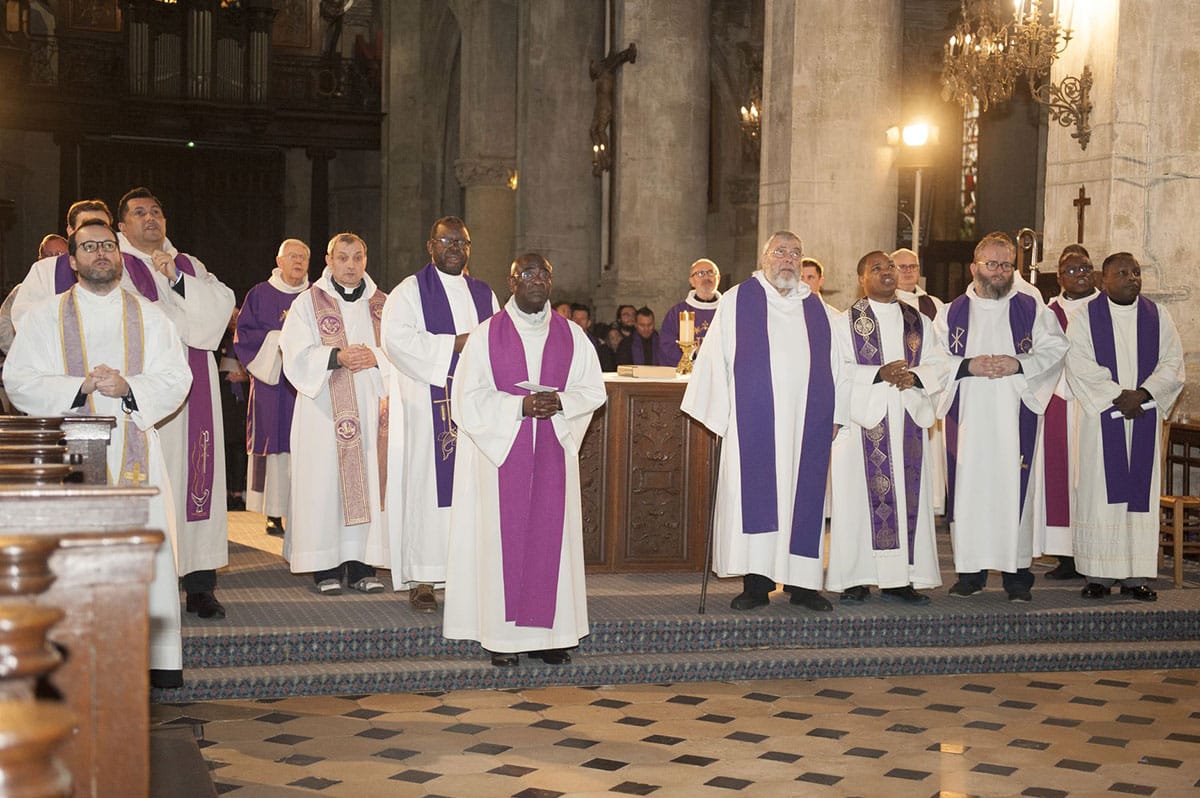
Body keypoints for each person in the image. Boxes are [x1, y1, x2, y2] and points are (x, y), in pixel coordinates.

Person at [3, 219, 193, 688]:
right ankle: (72, 658)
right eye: (89, 248)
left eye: (107, 245)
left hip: (134, 449)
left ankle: (148, 663)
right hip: (70, 448)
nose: (100, 254)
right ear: (72, 261)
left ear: (120, 255)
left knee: (142, 549)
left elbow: (177, 378)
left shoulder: (151, 316)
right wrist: (79, 385)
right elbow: (18, 381)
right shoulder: (44, 316)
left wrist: (129, 387)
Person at [443, 253, 606, 666]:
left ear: (551, 281)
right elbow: (467, 399)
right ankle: (502, 640)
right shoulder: (485, 336)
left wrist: (561, 402)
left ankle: (551, 638)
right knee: (502, 542)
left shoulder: (572, 335)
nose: (535, 280)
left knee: (551, 540)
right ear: (511, 282)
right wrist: (519, 407)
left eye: (542, 274)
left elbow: (593, 390)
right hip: (503, 458)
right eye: (526, 274)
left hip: (552, 452)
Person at [681, 231, 840, 613]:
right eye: (780, 251)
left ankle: (803, 586)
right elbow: (714, 360)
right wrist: (720, 413)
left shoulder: (818, 309)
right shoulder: (739, 300)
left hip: (807, 423)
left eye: (795, 253)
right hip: (752, 424)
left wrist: (835, 414)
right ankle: (756, 584)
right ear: (765, 257)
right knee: (756, 500)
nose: (788, 259)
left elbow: (838, 366)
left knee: (803, 501)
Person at [116, 187, 236, 620]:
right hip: (148, 392)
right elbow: (140, 319)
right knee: (154, 482)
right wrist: (189, 320)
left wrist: (178, 282)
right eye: (140, 213)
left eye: (157, 212)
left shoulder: (188, 264)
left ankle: (200, 584)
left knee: (197, 479)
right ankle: (148, 586)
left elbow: (222, 308)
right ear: (122, 224)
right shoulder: (118, 265)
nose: (151, 219)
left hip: (196, 388)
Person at [936, 231, 1068, 602]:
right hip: (969, 421)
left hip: (1015, 416)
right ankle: (970, 574)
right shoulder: (952, 312)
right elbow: (932, 361)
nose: (999, 271)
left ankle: (1016, 577)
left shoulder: (1032, 309)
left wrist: (1017, 363)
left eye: (1006, 264)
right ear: (975, 267)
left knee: (1015, 492)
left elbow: (1057, 348)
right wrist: (968, 365)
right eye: (992, 264)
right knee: (970, 491)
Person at [381, 216, 498, 612]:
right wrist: (457, 345)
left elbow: (500, 343)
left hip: (476, 410)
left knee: (473, 489)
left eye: (462, 242)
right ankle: (424, 577)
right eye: (447, 241)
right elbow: (397, 341)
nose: (455, 248)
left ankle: (470, 573)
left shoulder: (484, 294)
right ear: (430, 246)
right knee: (426, 488)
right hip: (426, 405)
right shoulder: (409, 292)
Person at [827, 251, 949, 604]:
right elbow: (836, 371)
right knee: (857, 502)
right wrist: (878, 373)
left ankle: (900, 579)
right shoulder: (844, 323)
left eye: (890, 267)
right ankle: (855, 578)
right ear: (861, 278)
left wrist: (915, 376)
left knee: (905, 500)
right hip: (862, 419)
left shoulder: (918, 321)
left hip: (907, 415)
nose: (886, 272)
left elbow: (939, 363)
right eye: (876, 268)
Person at [1066, 252, 1185, 602]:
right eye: (1122, 273)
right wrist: (1120, 397)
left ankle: (1136, 576)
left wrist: (1145, 394)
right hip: (1103, 420)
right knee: (1100, 495)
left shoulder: (1158, 316)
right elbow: (1079, 362)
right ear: (1104, 280)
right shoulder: (1085, 317)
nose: (1132, 277)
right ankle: (1098, 575)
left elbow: (1172, 363)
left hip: (1143, 415)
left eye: (1135, 272)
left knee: (1140, 498)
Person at [280, 233, 391, 595]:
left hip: (370, 406)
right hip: (323, 409)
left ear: (366, 260)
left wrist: (377, 357)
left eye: (357, 257)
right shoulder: (307, 303)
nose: (350, 265)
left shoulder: (383, 305)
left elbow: (401, 352)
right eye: (342, 257)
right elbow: (293, 352)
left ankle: (361, 565)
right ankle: (323, 565)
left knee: (368, 483)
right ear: (328, 261)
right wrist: (336, 356)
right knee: (323, 484)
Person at [234, 238, 311, 537]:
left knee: (305, 444)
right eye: (292, 256)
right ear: (279, 262)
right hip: (272, 386)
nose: (298, 262)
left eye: (303, 257)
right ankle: (273, 512)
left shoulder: (316, 295)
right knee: (274, 445)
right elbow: (246, 337)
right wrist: (282, 339)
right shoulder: (260, 294)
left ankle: (303, 509)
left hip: (306, 385)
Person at [1038, 246, 1099, 581]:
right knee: (1061, 477)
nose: (1081, 274)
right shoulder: (1049, 312)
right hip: (1059, 400)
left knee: (1093, 477)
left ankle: (1097, 551)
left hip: (1096, 405)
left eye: (1086, 268)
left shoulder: (1107, 308)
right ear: (1059, 277)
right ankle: (1065, 556)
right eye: (1072, 270)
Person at [893, 247, 948, 515]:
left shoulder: (934, 304)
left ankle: (932, 503)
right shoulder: (885, 301)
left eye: (912, 266)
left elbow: (942, 348)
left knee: (930, 450)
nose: (907, 272)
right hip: (896, 386)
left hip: (925, 385)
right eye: (901, 267)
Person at [12, 199, 118, 325]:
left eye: (102, 226)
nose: (95, 233)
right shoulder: (46, 270)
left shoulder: (123, 268)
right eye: (86, 226)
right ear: (70, 231)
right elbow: (24, 317)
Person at [658, 258, 722, 366]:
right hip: (689, 377)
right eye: (700, 273)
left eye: (711, 273)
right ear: (691, 281)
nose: (706, 277)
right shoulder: (677, 313)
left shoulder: (729, 310)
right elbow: (667, 346)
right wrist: (693, 355)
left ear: (718, 278)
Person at [569, 302, 615, 372]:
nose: (578, 322)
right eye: (575, 318)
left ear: (589, 323)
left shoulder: (600, 345)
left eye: (582, 319)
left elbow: (607, 369)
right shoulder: (563, 343)